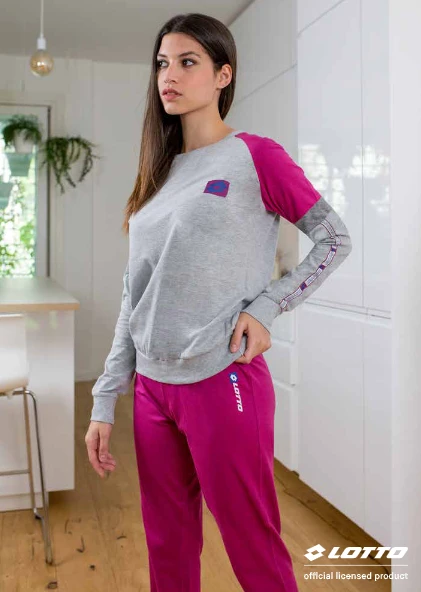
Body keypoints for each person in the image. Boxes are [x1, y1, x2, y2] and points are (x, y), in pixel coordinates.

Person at [85, 12, 352, 592]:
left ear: (223, 75)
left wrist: (267, 306)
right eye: (162, 64)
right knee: (167, 543)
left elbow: (334, 239)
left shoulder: (255, 157)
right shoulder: (158, 174)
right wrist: (106, 399)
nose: (169, 76)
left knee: (251, 543)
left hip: (222, 376)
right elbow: (135, 293)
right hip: (153, 388)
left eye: (188, 62)